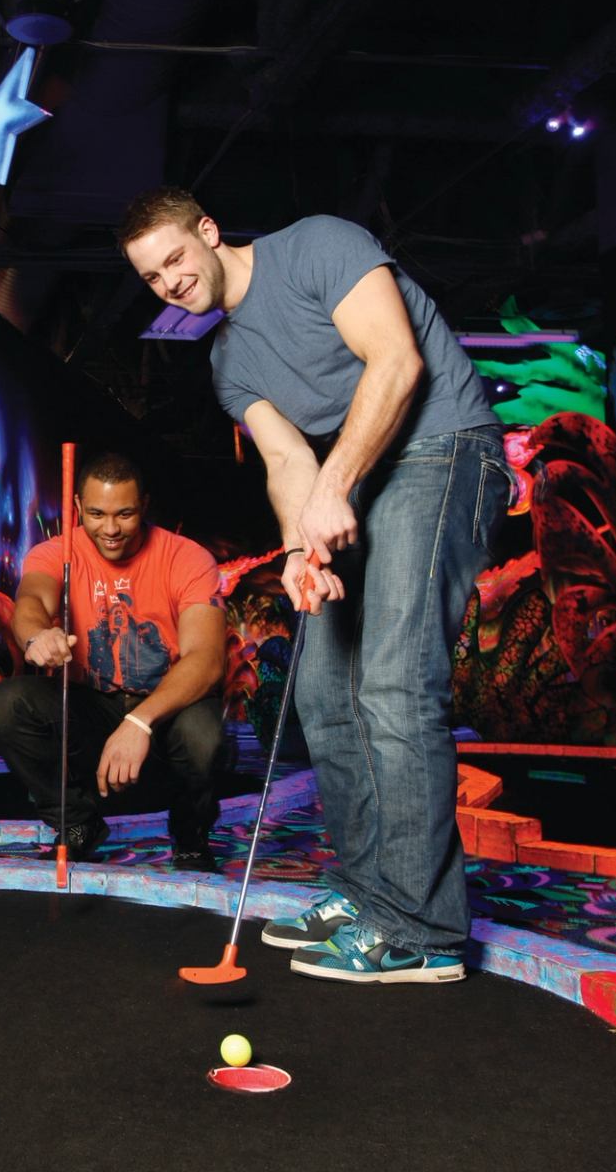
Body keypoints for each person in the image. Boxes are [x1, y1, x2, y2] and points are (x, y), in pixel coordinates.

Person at [119, 187, 512, 983]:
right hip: (365, 478)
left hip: (447, 448)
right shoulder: (229, 360)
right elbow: (287, 462)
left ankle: (423, 931)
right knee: (324, 690)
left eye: (175, 261)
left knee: (395, 685)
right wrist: (299, 548)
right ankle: (369, 891)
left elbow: (397, 362)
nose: (170, 285)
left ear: (207, 231)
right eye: (152, 280)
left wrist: (333, 490)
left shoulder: (318, 246)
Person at [0, 452, 229, 871]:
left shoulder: (187, 557)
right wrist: (36, 636)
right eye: (96, 513)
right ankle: (77, 823)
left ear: (144, 506)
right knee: (6, 702)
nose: (110, 529)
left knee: (205, 734)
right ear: (77, 507)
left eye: (125, 514)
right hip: (92, 706)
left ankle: (190, 833)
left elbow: (206, 660)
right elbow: (30, 603)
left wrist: (140, 721)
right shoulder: (54, 552)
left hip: (166, 708)